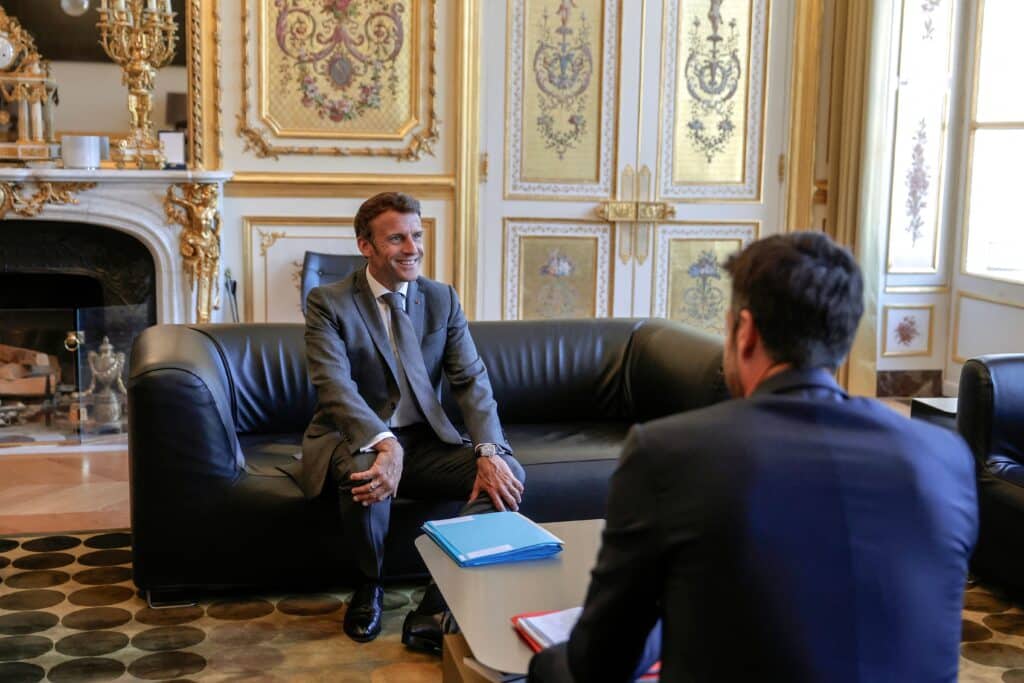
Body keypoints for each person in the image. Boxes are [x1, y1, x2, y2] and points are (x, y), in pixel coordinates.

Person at [528, 232, 978, 682]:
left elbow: (600, 666)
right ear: (843, 338)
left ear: (744, 332)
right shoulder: (945, 458)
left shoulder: (669, 454)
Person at [301, 192, 525, 649]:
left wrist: (488, 450)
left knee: (508, 477)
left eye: (417, 236)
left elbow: (471, 380)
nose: (412, 248)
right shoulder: (328, 302)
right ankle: (370, 586)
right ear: (366, 246)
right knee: (368, 470)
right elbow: (334, 386)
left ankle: (435, 602)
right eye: (397, 238)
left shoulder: (441, 299)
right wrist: (385, 442)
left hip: (428, 439)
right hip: (354, 435)